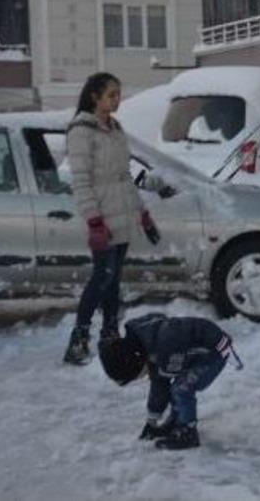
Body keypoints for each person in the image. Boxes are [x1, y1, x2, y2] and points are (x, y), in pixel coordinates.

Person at [62, 72, 162, 365]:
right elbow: (81, 180)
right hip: (102, 219)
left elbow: (124, 179)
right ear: (95, 96)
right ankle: (78, 340)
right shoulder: (82, 130)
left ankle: (110, 335)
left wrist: (143, 214)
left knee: (113, 280)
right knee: (101, 277)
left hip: (123, 216)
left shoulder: (115, 129)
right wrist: (94, 221)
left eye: (118, 94)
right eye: (111, 95)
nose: (117, 100)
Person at [97, 312, 240, 450]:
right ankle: (177, 421)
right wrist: (151, 421)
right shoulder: (144, 342)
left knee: (181, 388)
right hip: (193, 351)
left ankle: (188, 432)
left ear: (136, 362)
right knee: (175, 385)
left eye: (136, 376)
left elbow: (161, 383)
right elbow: (159, 385)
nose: (141, 378)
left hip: (214, 353)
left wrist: (153, 420)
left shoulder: (164, 348)